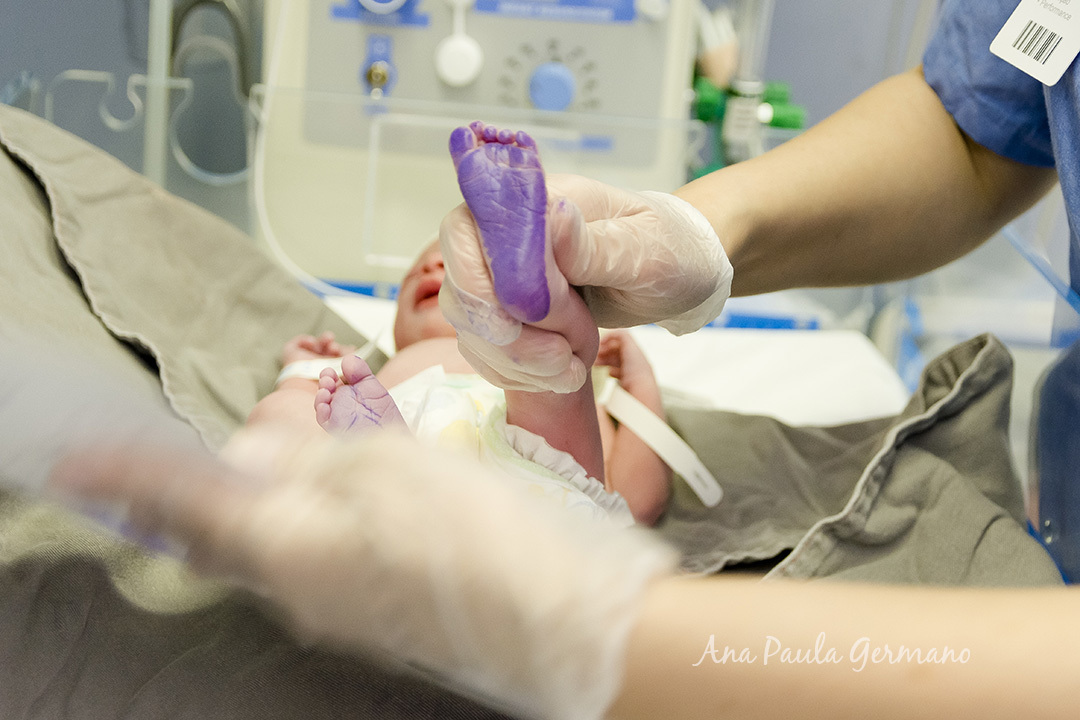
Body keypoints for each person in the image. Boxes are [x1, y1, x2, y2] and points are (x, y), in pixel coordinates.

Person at [42, 1, 1080, 718]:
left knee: (550, 425)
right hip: (403, 459)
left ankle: (495, 400)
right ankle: (355, 447)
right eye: (422, 285)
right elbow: (978, 120)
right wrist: (701, 232)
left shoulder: (542, 371)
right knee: (292, 438)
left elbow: (628, 498)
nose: (441, 286)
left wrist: (623, 424)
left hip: (526, 486)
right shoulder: (380, 363)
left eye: (445, 273)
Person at [242, 124, 672, 524]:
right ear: (394, 329)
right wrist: (303, 374)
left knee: (555, 375)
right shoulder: (370, 383)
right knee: (280, 415)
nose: (432, 265)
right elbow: (641, 504)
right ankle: (531, 302)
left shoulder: (600, 387)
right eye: (419, 272)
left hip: (529, 499)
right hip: (412, 465)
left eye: (453, 269)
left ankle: (530, 306)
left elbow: (639, 499)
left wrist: (639, 388)